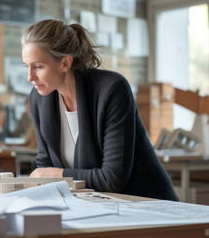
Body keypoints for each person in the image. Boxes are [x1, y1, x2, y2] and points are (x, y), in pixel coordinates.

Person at [21, 19, 178, 201]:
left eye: (38, 66)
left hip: (145, 205)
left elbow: (112, 179)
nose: (29, 77)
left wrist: (56, 174)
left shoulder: (111, 89)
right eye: (27, 66)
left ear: (65, 63)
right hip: (93, 205)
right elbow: (44, 164)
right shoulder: (39, 97)